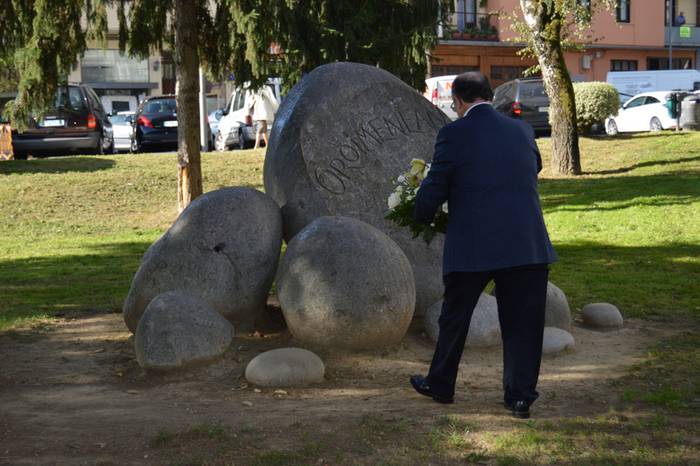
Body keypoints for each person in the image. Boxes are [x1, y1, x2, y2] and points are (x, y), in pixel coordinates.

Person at [409, 72, 557, 419]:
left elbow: (436, 186)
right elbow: (532, 166)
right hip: (526, 242)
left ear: (458, 101)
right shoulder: (521, 130)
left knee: (455, 317)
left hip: (474, 243)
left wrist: (418, 215)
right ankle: (520, 397)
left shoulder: (453, 133)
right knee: (524, 324)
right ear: (489, 96)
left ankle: (441, 384)